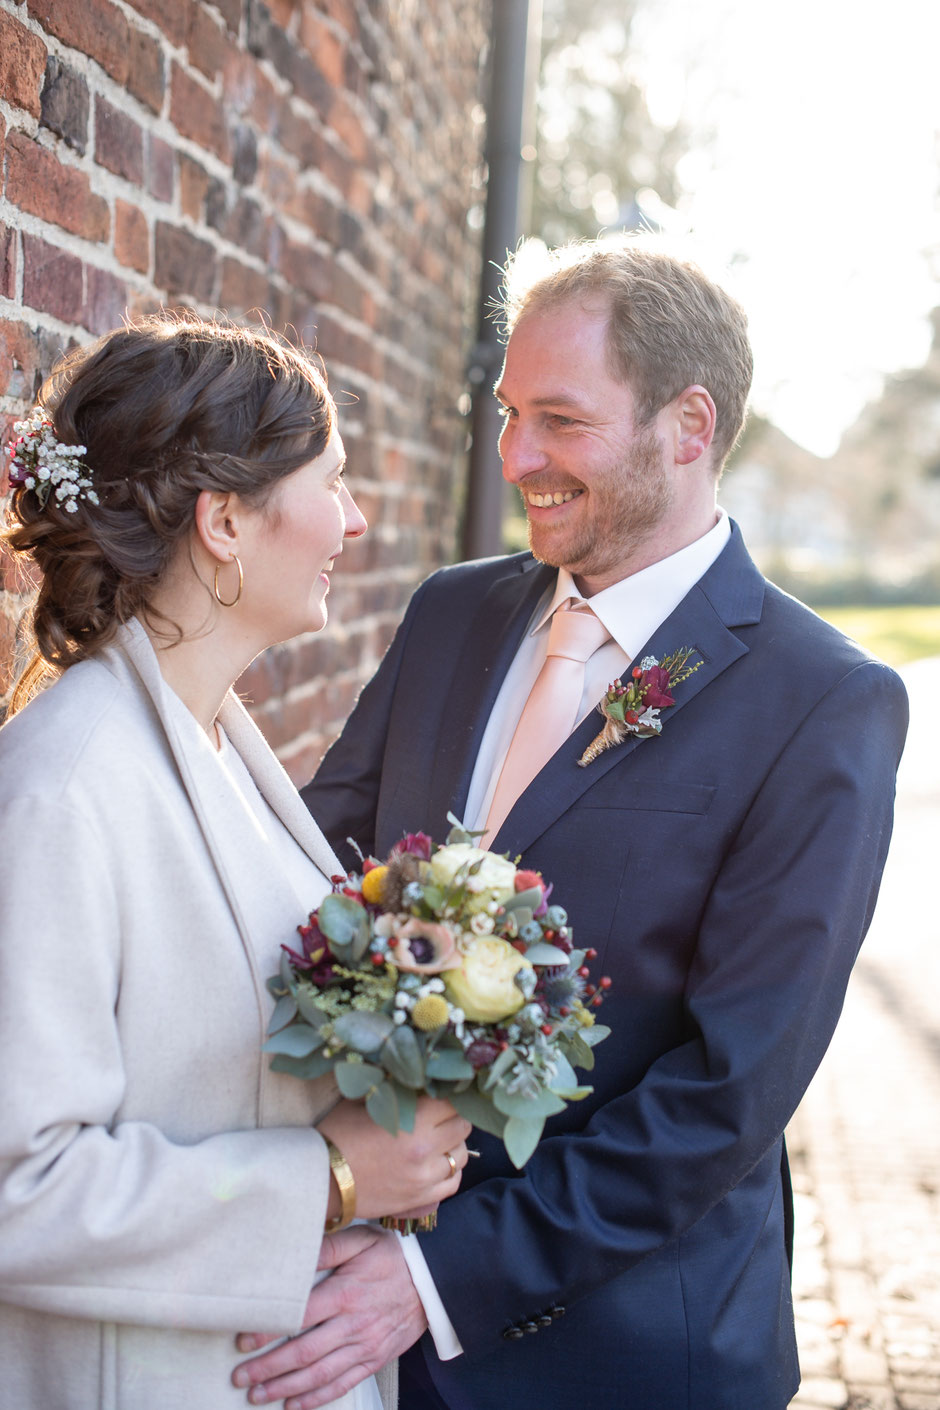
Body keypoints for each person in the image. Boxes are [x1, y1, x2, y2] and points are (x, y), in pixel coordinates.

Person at [232, 235, 909, 1410]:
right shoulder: (453, 613)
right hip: (359, 1314)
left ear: (686, 426)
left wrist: (438, 1279)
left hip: (622, 1347)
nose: (514, 459)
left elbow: (726, 1092)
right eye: (505, 414)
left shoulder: (823, 700)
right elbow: (306, 869)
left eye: (559, 420)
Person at [0, 314, 471, 1410]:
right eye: (333, 482)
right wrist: (334, 1179)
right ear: (224, 520)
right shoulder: (63, 792)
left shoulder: (213, 740)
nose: (352, 521)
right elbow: (18, 1185)